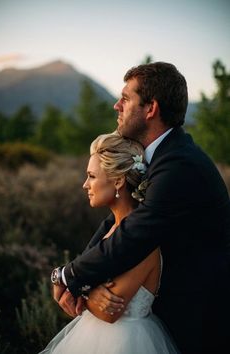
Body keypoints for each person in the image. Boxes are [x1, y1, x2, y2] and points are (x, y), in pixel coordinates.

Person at [50, 62, 230, 353]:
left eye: (126, 98)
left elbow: (134, 234)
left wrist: (69, 276)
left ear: (151, 108)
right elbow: (117, 222)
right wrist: (80, 280)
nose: (116, 105)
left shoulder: (179, 165)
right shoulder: (158, 157)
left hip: (198, 316)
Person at [40, 132, 179, 354]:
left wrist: (82, 291)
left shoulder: (143, 240)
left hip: (128, 342)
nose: (85, 184)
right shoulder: (111, 230)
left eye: (92, 176)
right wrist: (88, 291)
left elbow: (109, 312)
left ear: (117, 180)